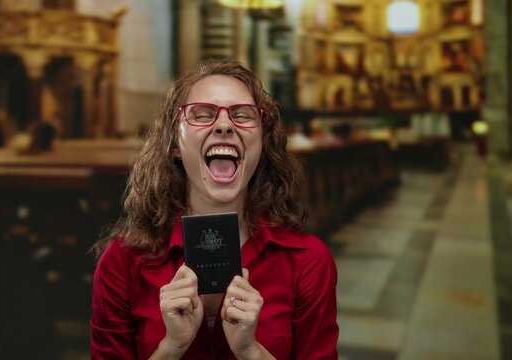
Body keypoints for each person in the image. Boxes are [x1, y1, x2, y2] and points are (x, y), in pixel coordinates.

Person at [90, 59, 338, 359]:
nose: (223, 125)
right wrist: (171, 348)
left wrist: (251, 352)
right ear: (174, 144)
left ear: (262, 143)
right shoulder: (122, 262)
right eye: (202, 114)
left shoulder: (308, 262)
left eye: (243, 115)